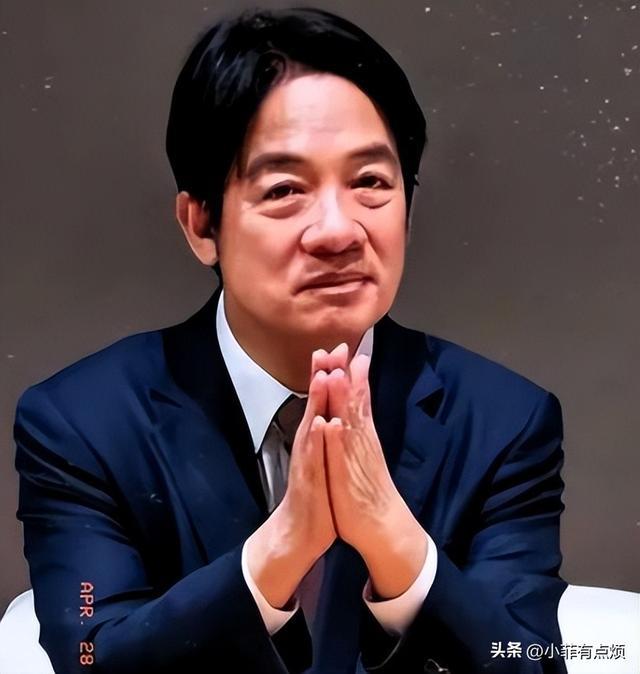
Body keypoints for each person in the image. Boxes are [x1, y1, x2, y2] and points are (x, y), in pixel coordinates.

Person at [13, 7, 567, 674]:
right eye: (284, 190)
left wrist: (394, 540)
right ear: (201, 225)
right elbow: (88, 656)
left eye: (370, 182)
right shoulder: (83, 423)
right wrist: (281, 548)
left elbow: (532, 659)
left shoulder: (505, 421)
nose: (338, 230)